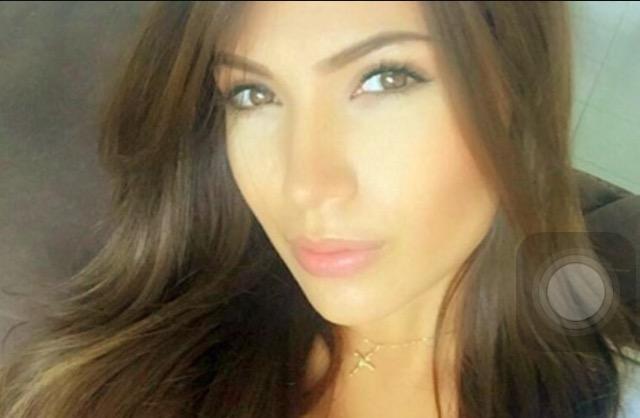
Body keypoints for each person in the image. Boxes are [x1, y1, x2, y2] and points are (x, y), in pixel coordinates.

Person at [1, 2, 639, 417]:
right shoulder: (127, 373)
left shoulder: (609, 391)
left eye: (385, 78)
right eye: (252, 94)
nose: (306, 185)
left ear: (518, 96)